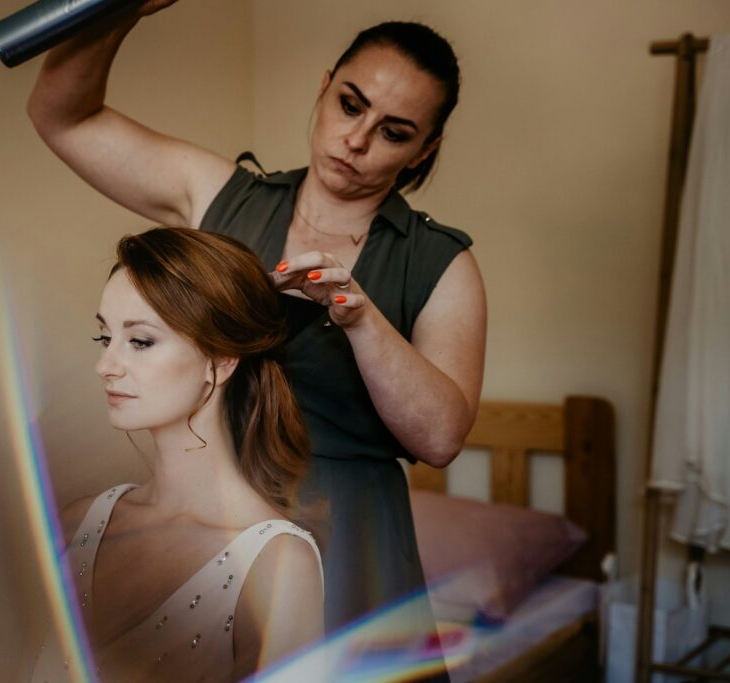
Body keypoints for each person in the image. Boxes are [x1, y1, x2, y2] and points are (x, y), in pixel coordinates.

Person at [26, 0, 486, 647]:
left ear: (424, 149)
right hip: (208, 513)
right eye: (351, 104)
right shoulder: (219, 193)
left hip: (350, 529)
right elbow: (61, 114)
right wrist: (121, 11)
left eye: (394, 131)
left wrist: (358, 316)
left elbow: (440, 437)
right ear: (324, 87)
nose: (356, 140)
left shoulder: (441, 262)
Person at [31, 228, 324, 683]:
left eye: (141, 341)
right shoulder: (78, 525)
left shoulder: (277, 566)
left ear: (223, 359)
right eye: (103, 337)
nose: (105, 365)